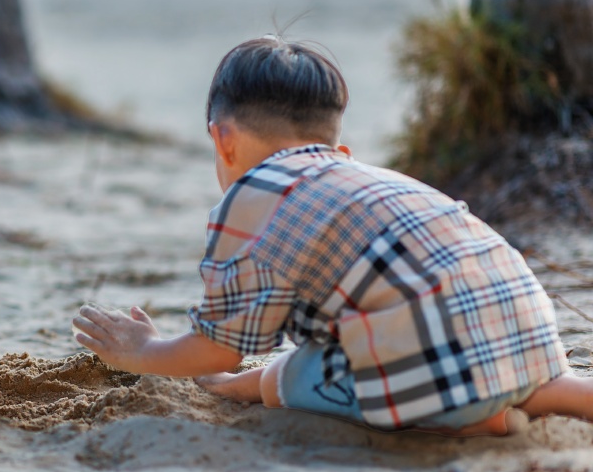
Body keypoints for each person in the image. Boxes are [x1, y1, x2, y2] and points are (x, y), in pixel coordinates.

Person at [72, 36, 593, 436]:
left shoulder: (251, 196)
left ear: (222, 138)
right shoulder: (370, 180)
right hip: (530, 335)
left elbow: (219, 349)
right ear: (337, 150)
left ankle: (475, 421)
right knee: (344, 350)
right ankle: (560, 395)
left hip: (440, 371)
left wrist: (144, 350)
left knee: (298, 375)